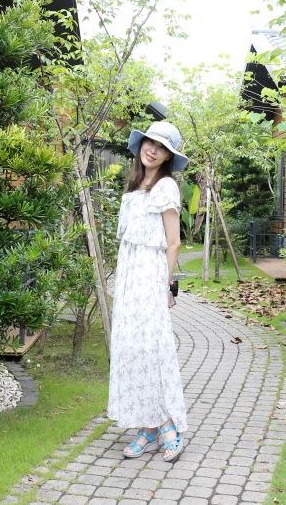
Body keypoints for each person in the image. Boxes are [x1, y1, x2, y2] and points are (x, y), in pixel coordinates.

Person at [108, 121, 189, 462]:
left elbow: (174, 243)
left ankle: (168, 424)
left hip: (150, 278)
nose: (152, 150)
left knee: (152, 351)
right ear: (141, 145)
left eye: (161, 147)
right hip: (129, 277)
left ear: (169, 156)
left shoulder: (166, 187)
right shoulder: (135, 185)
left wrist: (164, 287)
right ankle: (148, 425)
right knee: (131, 350)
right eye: (149, 143)